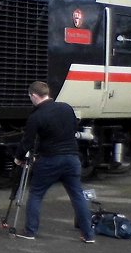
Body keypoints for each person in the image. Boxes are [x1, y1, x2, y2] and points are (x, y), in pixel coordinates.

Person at [13, 79, 94, 243]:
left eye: (30, 97)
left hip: (50, 160)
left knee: (36, 194)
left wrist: (18, 158)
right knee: (77, 195)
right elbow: (73, 129)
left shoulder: (36, 116)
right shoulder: (66, 108)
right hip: (72, 159)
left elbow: (27, 142)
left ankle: (30, 231)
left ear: (35, 96)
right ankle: (88, 235)